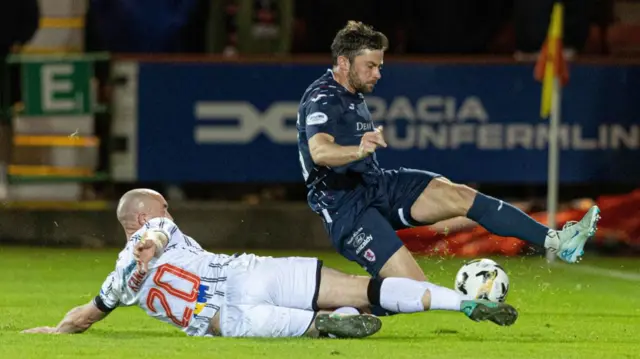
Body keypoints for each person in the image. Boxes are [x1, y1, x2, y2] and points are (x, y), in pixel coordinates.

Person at [295, 21, 601, 284]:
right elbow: (320, 151)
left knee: (459, 195)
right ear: (344, 64)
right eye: (371, 67)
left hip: (377, 185)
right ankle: (339, 307)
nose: (377, 74)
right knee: (414, 288)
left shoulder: (351, 90)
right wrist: (358, 150)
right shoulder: (323, 98)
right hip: (347, 209)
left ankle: (558, 241)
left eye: (380, 66)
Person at [21, 189, 519, 338]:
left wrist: (51, 334)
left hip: (226, 320)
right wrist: (149, 242)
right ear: (148, 215)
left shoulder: (118, 281)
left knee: (318, 325)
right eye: (163, 210)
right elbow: (153, 234)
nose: (169, 215)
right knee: (361, 288)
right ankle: (460, 304)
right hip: (247, 272)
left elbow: (85, 315)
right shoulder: (158, 230)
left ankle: (328, 326)